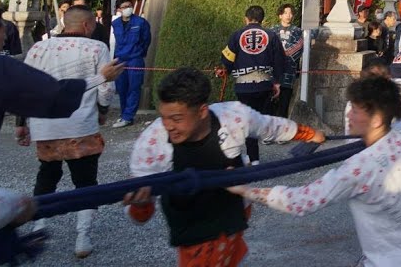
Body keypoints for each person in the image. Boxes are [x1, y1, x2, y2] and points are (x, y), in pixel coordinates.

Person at [233, 76, 401, 267]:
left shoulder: (360, 168)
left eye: (355, 109)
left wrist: (246, 190)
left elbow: (301, 201)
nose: (349, 114)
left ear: (377, 119)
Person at [122, 68, 327, 266]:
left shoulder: (234, 117)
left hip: (230, 209)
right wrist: (141, 205)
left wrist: (310, 134)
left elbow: (270, 127)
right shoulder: (151, 142)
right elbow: (140, 212)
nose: (169, 125)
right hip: (188, 220)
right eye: (164, 117)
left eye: (177, 118)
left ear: (202, 111)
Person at [21, 5, 115, 258]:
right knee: (85, 181)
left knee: (47, 175)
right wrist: (103, 110)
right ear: (86, 25)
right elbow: (105, 87)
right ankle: (82, 238)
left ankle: (39, 227)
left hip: (45, 124)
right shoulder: (97, 48)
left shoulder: (39, 48)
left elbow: (24, 85)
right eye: (93, 24)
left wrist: (22, 122)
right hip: (80, 124)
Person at [218, 5, 286, 165]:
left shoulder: (237, 35)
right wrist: (277, 82)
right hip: (264, 84)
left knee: (246, 120)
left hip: (244, 86)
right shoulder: (271, 35)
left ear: (246, 18)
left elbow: (227, 59)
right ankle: (254, 154)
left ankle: (251, 157)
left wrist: (226, 70)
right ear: (263, 20)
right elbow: (279, 60)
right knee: (257, 119)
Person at [110, 0, 153, 128]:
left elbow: (146, 40)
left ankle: (128, 116)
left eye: (129, 5)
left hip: (135, 59)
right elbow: (113, 41)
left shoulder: (141, 22)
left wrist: (139, 53)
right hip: (119, 59)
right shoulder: (115, 23)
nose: (128, 8)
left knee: (134, 88)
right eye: (124, 6)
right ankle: (124, 115)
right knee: (121, 88)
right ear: (119, 9)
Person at [274, 3, 304, 118]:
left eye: (291, 13)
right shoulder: (272, 31)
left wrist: (281, 56)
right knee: (271, 107)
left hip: (289, 73)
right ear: (280, 15)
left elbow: (299, 48)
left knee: (284, 106)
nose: (288, 15)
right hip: (273, 74)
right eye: (285, 13)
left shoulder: (297, 31)